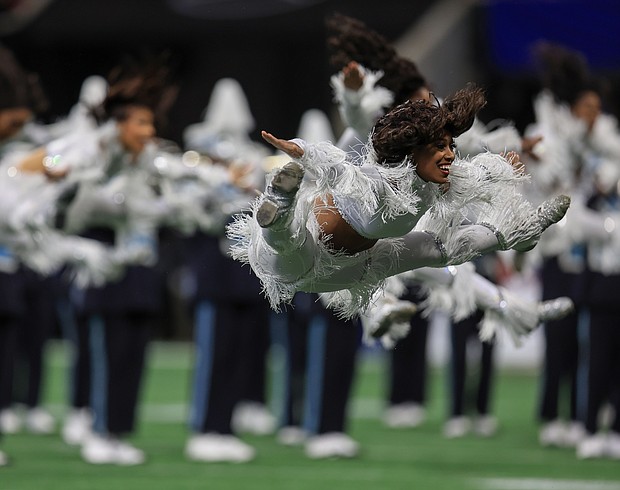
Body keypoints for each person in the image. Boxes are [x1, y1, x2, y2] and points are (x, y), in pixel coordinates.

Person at [227, 85, 571, 337]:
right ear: (412, 147)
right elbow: (339, 167)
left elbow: (480, 169)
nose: (450, 153)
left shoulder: (443, 175)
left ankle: (521, 230)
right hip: (307, 254)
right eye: (439, 146)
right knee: (288, 242)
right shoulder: (380, 179)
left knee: (442, 252)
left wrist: (505, 166)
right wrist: (301, 150)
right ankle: (281, 202)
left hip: (357, 265)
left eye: (450, 145)